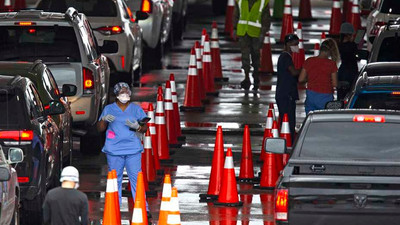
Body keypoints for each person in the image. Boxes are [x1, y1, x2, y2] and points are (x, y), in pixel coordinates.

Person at [97, 82, 148, 205]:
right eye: (121, 92)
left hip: (133, 149)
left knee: (136, 179)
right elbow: (100, 128)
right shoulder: (109, 109)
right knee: (115, 180)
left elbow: (144, 127)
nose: (125, 94)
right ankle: (114, 207)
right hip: (114, 150)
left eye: (126, 92)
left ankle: (142, 206)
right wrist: (104, 120)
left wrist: (137, 126)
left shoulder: (136, 109)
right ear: (116, 95)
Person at [233, 0, 271, 91]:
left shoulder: (263, 2)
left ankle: (256, 74)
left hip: (256, 33)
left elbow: (266, 19)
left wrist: (263, 33)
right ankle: (247, 77)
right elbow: (236, 15)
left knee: (255, 54)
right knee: (245, 55)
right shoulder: (240, 1)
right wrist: (235, 28)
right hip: (243, 32)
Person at [299, 39, 340, 114]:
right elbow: (335, 84)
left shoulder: (309, 61)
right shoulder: (331, 64)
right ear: (331, 51)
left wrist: (311, 78)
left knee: (310, 118)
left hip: (311, 95)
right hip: (325, 96)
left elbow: (301, 79)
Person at [275, 34, 301, 140]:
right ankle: (288, 143)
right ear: (288, 44)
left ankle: (287, 141)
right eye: (295, 44)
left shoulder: (286, 57)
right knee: (288, 122)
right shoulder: (285, 57)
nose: (297, 47)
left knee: (286, 121)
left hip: (284, 94)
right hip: (286, 95)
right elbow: (294, 72)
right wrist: (305, 69)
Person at [337, 22, 359, 100]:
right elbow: (357, 56)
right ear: (348, 35)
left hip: (342, 72)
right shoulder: (352, 46)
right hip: (351, 73)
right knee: (351, 95)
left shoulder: (339, 45)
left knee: (341, 96)